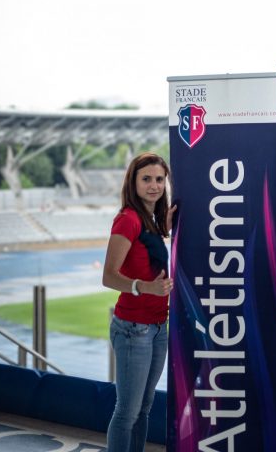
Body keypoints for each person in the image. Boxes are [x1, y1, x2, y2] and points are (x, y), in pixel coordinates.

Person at [102, 152, 176, 452]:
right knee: (127, 413)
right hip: (134, 330)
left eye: (159, 179)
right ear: (133, 183)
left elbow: (147, 254)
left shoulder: (151, 221)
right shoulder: (127, 219)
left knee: (144, 410)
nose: (154, 186)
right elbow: (108, 276)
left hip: (158, 328)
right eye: (146, 179)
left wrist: (165, 230)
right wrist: (145, 287)